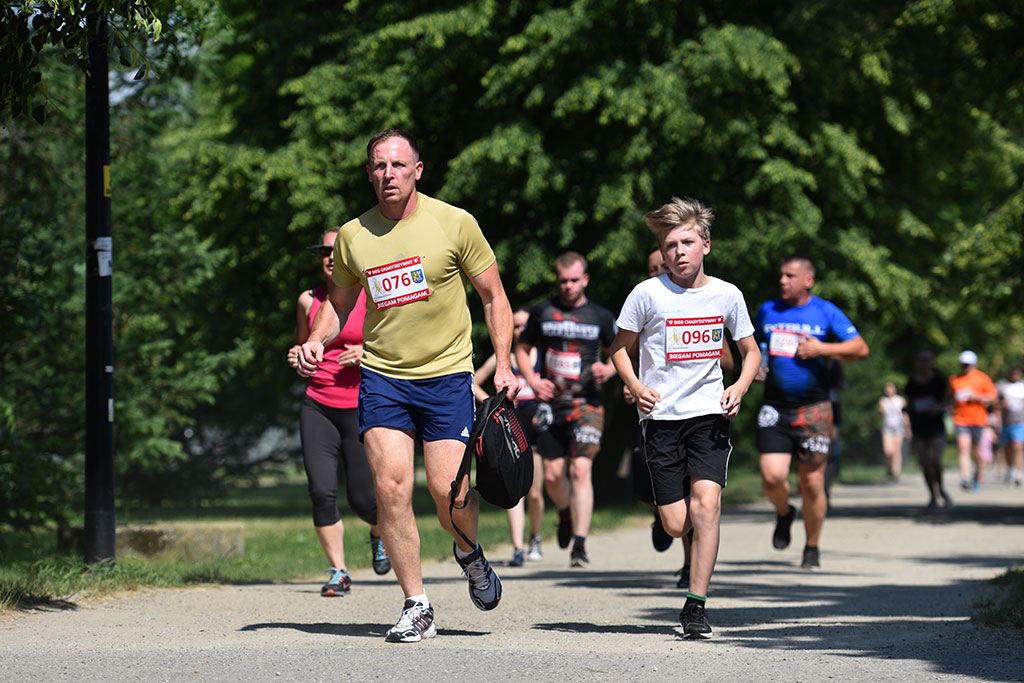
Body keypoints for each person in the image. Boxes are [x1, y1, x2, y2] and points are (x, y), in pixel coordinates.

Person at [295, 129, 517, 643]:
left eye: (398, 165)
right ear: (368, 173)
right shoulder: (354, 234)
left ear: (418, 169)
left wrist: (502, 363)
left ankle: (469, 551)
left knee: (448, 490)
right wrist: (318, 340)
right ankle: (416, 603)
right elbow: (341, 300)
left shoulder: (454, 222)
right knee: (390, 488)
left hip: (446, 375)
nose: (387, 174)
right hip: (384, 378)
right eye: (378, 166)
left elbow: (493, 297)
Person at [610, 197, 760, 638]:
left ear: (705, 246)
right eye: (670, 244)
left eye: (687, 242)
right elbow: (619, 349)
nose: (678, 251)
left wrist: (739, 387)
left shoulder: (727, 295)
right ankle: (665, 513)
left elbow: (751, 353)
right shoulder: (647, 293)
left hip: (709, 416)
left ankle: (696, 605)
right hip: (661, 419)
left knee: (708, 506)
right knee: (677, 524)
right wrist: (637, 388)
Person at [286, 230, 390, 597]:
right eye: (324, 252)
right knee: (321, 491)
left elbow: (398, 343)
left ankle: (379, 532)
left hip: (363, 404)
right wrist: (299, 356)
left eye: (337, 250)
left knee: (365, 499)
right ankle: (339, 571)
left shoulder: (372, 293)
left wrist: (366, 352)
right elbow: (305, 342)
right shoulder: (307, 299)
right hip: (318, 404)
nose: (331, 257)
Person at [754, 256, 869, 570]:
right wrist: (757, 366)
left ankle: (812, 546)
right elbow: (752, 345)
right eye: (781, 275)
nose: (782, 281)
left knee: (813, 484)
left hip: (815, 409)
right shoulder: (768, 310)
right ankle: (783, 512)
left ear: (808, 280)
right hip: (775, 408)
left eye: (790, 275)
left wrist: (823, 349)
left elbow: (860, 348)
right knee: (771, 477)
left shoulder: (825, 311)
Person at [630, 247, 734, 587]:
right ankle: (662, 517)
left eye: (663, 265)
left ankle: (693, 575)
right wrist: (631, 384)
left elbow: (728, 358)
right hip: (654, 413)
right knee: (657, 497)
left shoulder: (707, 301)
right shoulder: (646, 301)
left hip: (702, 413)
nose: (662, 270)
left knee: (703, 499)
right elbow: (622, 352)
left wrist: (738, 378)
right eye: (654, 267)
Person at [515, 252, 617, 567]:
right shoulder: (543, 312)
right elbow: (522, 348)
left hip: (587, 402)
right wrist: (532, 380)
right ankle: (564, 512)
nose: (568, 286)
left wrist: (609, 369)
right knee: (554, 475)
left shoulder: (599, 316)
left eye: (574, 280)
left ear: (585, 279)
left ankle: (580, 546)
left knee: (581, 469)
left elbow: (621, 352)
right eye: (563, 281)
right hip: (551, 404)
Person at [473, 307, 546, 565]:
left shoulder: (542, 355)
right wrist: (493, 406)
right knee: (514, 485)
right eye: (514, 326)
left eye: (523, 326)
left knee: (535, 491)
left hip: (536, 426)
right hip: (510, 425)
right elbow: (472, 381)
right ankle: (517, 546)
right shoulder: (500, 358)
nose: (519, 331)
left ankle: (535, 537)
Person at [904, 349, 952, 508]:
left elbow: (949, 402)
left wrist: (940, 407)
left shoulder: (939, 382)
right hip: (919, 428)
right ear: (916, 363)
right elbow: (908, 408)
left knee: (936, 460)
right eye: (921, 360)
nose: (924, 363)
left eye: (927, 360)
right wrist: (908, 427)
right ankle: (932, 495)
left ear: (932, 363)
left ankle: (942, 488)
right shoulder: (911, 384)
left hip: (936, 426)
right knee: (924, 462)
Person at [950, 350, 997, 491]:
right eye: (963, 364)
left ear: (974, 364)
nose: (966, 367)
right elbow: (950, 398)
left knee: (977, 452)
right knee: (963, 449)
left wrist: (977, 397)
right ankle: (965, 478)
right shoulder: (954, 379)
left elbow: (993, 398)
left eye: (968, 364)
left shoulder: (983, 378)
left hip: (978, 420)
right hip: (960, 419)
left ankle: (977, 474)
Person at [997, 365, 1024, 487]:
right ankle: (1011, 469)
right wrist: (1002, 404)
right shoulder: (1002, 386)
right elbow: (994, 403)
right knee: (1008, 448)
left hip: (1020, 422)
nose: (1015, 376)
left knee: (1017, 447)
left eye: (1017, 374)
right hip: (1006, 422)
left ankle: (1018, 473)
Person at [879, 381, 910, 481]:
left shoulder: (900, 400)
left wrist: (908, 428)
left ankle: (895, 472)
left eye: (891, 388)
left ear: (895, 389)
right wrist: (881, 412)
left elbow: (905, 415)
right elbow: (880, 415)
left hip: (898, 427)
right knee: (888, 451)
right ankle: (889, 468)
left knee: (897, 451)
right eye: (887, 388)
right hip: (887, 428)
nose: (889, 390)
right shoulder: (883, 400)